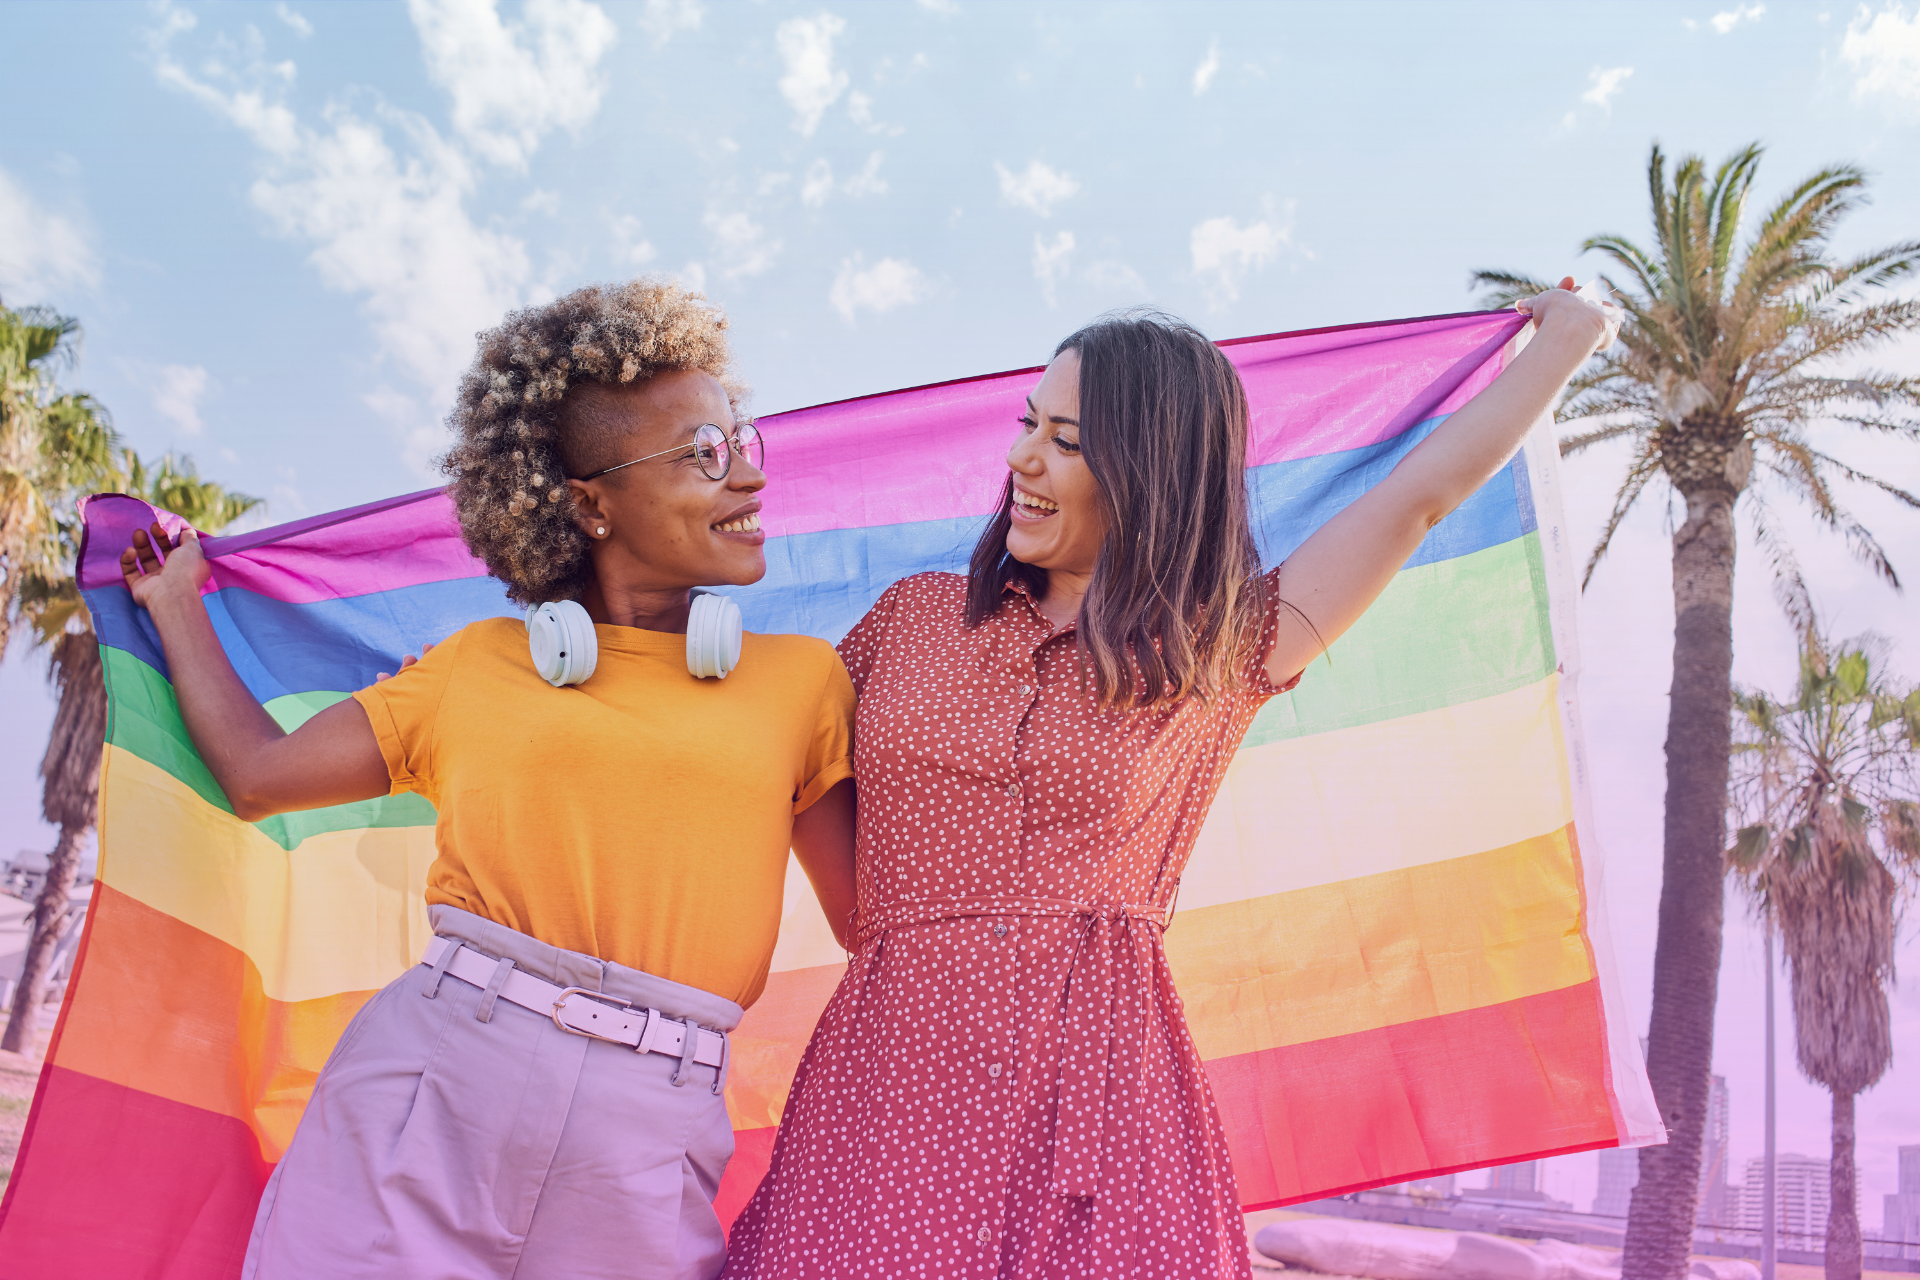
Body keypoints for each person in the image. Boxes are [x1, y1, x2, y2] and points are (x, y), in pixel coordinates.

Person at [720, 281, 1618, 1279]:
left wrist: (1567, 343)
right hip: (890, 1092)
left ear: (1149, 469)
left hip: (1107, 1111)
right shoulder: (913, 620)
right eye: (1027, 424)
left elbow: (1417, 500)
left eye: (1065, 438)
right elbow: (785, 783)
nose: (1020, 458)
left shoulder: (1225, 649)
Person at [117, 279, 859, 1280]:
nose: (749, 480)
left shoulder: (804, 682)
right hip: (432, 1080)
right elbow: (257, 775)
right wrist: (175, 604)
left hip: (649, 1133)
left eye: (742, 441)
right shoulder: (476, 664)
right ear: (592, 503)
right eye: (703, 454)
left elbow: (870, 915)